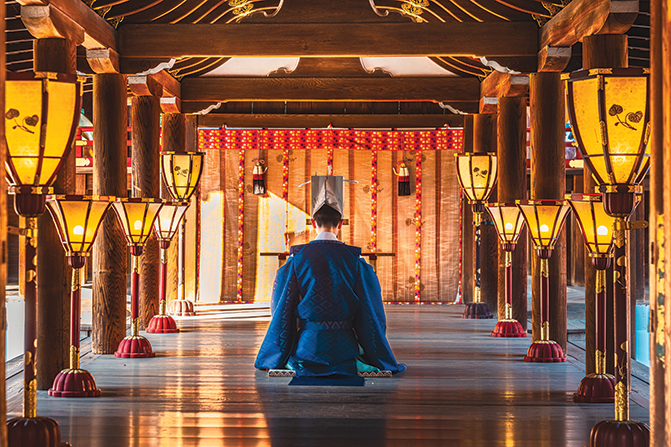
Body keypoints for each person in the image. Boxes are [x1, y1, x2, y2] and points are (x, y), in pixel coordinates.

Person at [255, 175, 406, 378]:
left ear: (313, 223)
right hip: (345, 346)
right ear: (340, 223)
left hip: (307, 346)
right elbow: (371, 310)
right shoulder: (355, 259)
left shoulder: (297, 259)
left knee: (295, 357)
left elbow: (281, 308)